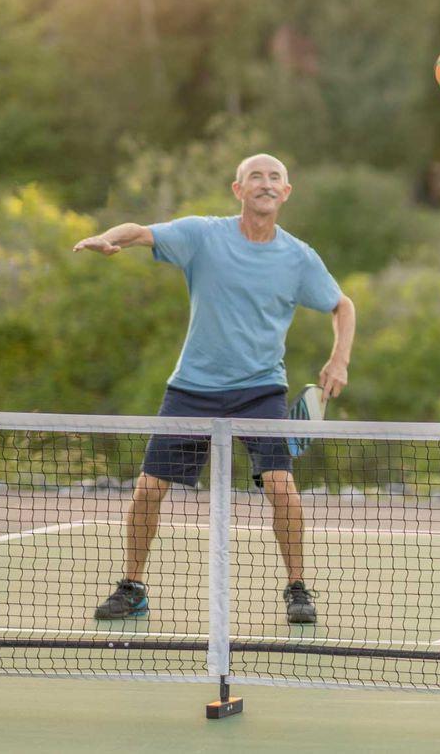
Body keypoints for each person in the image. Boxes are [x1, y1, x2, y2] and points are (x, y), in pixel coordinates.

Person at [73, 153, 356, 624]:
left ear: (286, 193)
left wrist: (339, 359)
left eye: (274, 178)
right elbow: (140, 233)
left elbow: (342, 305)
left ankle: (298, 590)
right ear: (238, 189)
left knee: (282, 488)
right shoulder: (203, 235)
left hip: (260, 388)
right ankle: (133, 588)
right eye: (255, 177)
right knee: (148, 490)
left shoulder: (299, 258)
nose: (265, 184)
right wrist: (107, 238)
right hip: (192, 388)